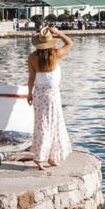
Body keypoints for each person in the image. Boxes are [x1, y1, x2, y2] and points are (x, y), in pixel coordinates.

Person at [26, 24, 73, 170]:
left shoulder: (32, 58)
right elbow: (70, 43)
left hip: (39, 94)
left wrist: (29, 93)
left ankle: (50, 156)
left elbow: (31, 78)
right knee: (53, 124)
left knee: (42, 124)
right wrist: (57, 33)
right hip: (52, 95)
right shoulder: (55, 55)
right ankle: (41, 157)